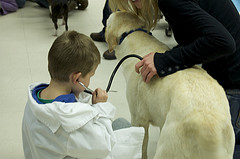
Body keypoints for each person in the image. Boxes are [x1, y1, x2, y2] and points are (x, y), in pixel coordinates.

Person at [109, 0, 240, 158]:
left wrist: (164, 60)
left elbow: (223, 42)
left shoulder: (170, 2)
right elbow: (201, 38)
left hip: (233, 81)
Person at [22, 31, 144, 159]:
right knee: (123, 125)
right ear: (77, 78)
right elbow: (104, 146)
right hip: (90, 147)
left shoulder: (35, 98)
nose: (90, 80)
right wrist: (101, 107)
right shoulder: (67, 124)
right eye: (90, 76)